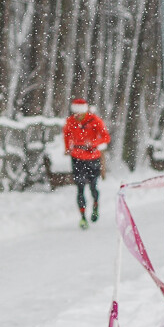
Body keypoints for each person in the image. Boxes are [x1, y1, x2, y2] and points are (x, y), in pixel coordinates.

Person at [63, 97, 110, 229]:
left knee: (93, 186)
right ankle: (83, 217)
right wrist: (67, 148)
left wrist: (94, 143)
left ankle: (95, 204)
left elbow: (106, 137)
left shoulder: (94, 120)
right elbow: (66, 134)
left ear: (85, 111)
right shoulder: (70, 121)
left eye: (80, 113)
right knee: (80, 187)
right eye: (75, 113)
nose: (77, 116)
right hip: (77, 157)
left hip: (92, 157)